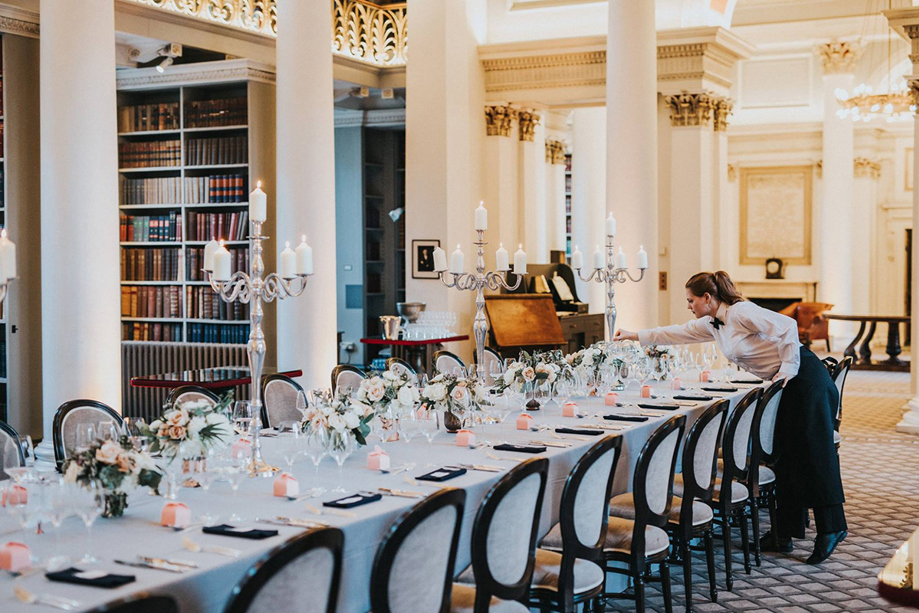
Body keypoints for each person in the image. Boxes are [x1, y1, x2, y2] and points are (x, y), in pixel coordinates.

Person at [614, 270, 846, 564]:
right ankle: (783, 533)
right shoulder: (714, 324)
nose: (689, 306)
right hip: (786, 384)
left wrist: (787, 368)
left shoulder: (740, 312)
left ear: (707, 298)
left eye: (691, 300)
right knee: (784, 455)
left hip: (805, 378)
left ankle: (833, 528)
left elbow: (787, 325)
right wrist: (635, 336)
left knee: (814, 452)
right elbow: (677, 332)